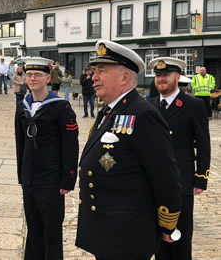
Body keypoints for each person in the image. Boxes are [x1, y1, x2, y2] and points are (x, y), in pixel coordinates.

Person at [75, 40, 182, 260]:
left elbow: (165, 176)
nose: (93, 76)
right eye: (94, 71)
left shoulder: (142, 114)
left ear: (124, 78)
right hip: (107, 230)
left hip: (127, 234)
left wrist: (167, 223)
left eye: (101, 71)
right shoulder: (109, 111)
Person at [15, 57, 79, 260]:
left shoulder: (61, 108)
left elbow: (70, 145)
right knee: (33, 230)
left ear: (47, 78)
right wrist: (22, 176)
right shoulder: (23, 106)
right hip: (30, 179)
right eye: (29, 75)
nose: (32, 79)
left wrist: (68, 179)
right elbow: (20, 144)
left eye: (38, 75)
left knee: (51, 233)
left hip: (51, 180)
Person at [148, 57, 210, 260]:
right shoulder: (149, 106)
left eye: (165, 75)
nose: (161, 79)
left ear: (178, 77)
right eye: (158, 75)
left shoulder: (193, 105)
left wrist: (200, 177)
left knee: (180, 238)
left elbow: (203, 143)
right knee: (158, 240)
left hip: (181, 181)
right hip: (153, 183)